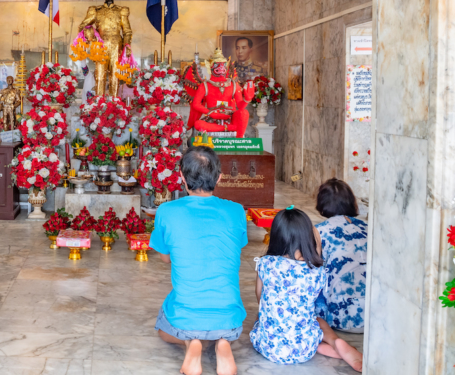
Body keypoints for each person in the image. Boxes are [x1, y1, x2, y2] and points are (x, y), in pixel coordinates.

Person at [149, 146, 247, 375]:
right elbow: (235, 247)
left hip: (186, 314)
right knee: (221, 328)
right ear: (219, 178)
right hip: (229, 316)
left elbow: (166, 259)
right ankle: (223, 343)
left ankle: (191, 343)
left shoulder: (167, 211)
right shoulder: (236, 210)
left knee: (164, 331)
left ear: (182, 177)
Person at [250, 207, 362, 372]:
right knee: (317, 320)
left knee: (265, 318)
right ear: (308, 238)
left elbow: (260, 299)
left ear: (276, 236)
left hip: (269, 347)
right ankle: (333, 342)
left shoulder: (266, 263)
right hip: (306, 349)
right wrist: (315, 236)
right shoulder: (317, 271)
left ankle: (316, 344)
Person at [314, 178, 367, 332]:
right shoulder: (367, 228)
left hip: (341, 317)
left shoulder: (319, 231)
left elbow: (313, 272)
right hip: (375, 316)